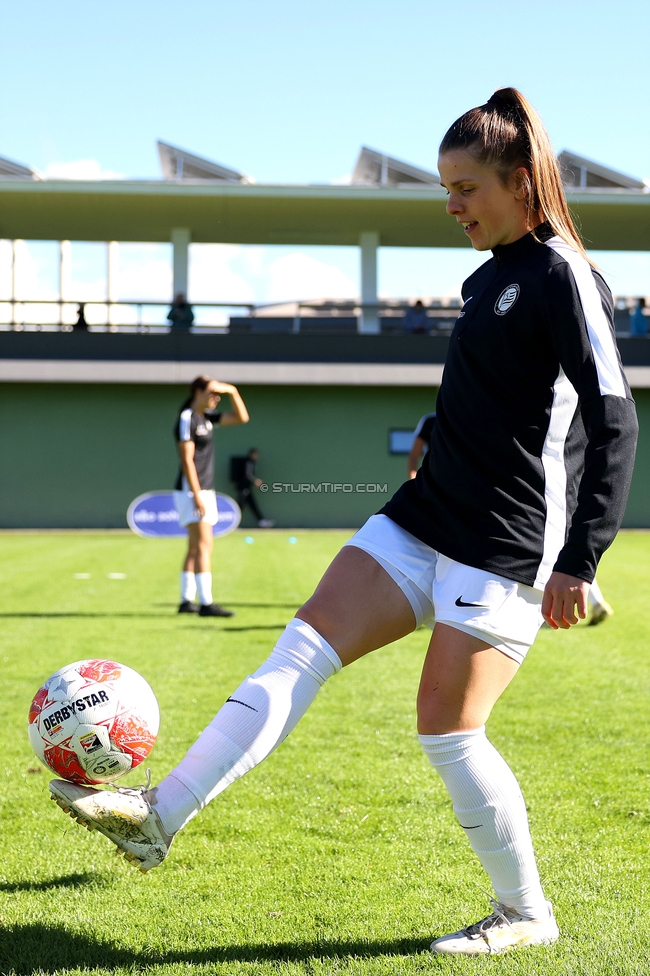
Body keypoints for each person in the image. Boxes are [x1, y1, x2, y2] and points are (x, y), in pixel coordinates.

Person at [49, 89, 638, 956]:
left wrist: (581, 560)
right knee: (301, 647)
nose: (452, 206)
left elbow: (615, 417)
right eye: (445, 188)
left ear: (520, 182)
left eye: (466, 188)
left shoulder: (564, 277)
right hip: (423, 516)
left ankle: (526, 915)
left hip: (510, 541)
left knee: (446, 727)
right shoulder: (484, 280)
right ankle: (156, 817)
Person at [410, 412, 615, 627]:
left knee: (562, 550)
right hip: (443, 493)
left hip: (523, 502)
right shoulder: (431, 421)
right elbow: (415, 454)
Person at [173, 375, 250, 617]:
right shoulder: (188, 417)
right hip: (192, 491)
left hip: (202, 490)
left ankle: (186, 601)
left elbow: (241, 417)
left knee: (195, 547)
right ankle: (206, 604)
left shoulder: (206, 418)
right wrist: (197, 496)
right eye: (212, 393)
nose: (217, 398)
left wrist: (232, 390)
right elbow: (186, 459)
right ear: (198, 392)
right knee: (205, 544)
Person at [231, 448, 274, 528]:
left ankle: (262, 521)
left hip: (247, 489)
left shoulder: (251, 463)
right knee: (239, 507)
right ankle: (232, 524)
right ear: (251, 454)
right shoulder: (248, 462)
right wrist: (255, 481)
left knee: (253, 506)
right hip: (243, 489)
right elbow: (248, 475)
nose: (257, 456)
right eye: (255, 454)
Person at [407, 412, 436, 480]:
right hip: (433, 478)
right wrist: (413, 481)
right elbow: (414, 456)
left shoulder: (462, 418)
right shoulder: (430, 421)